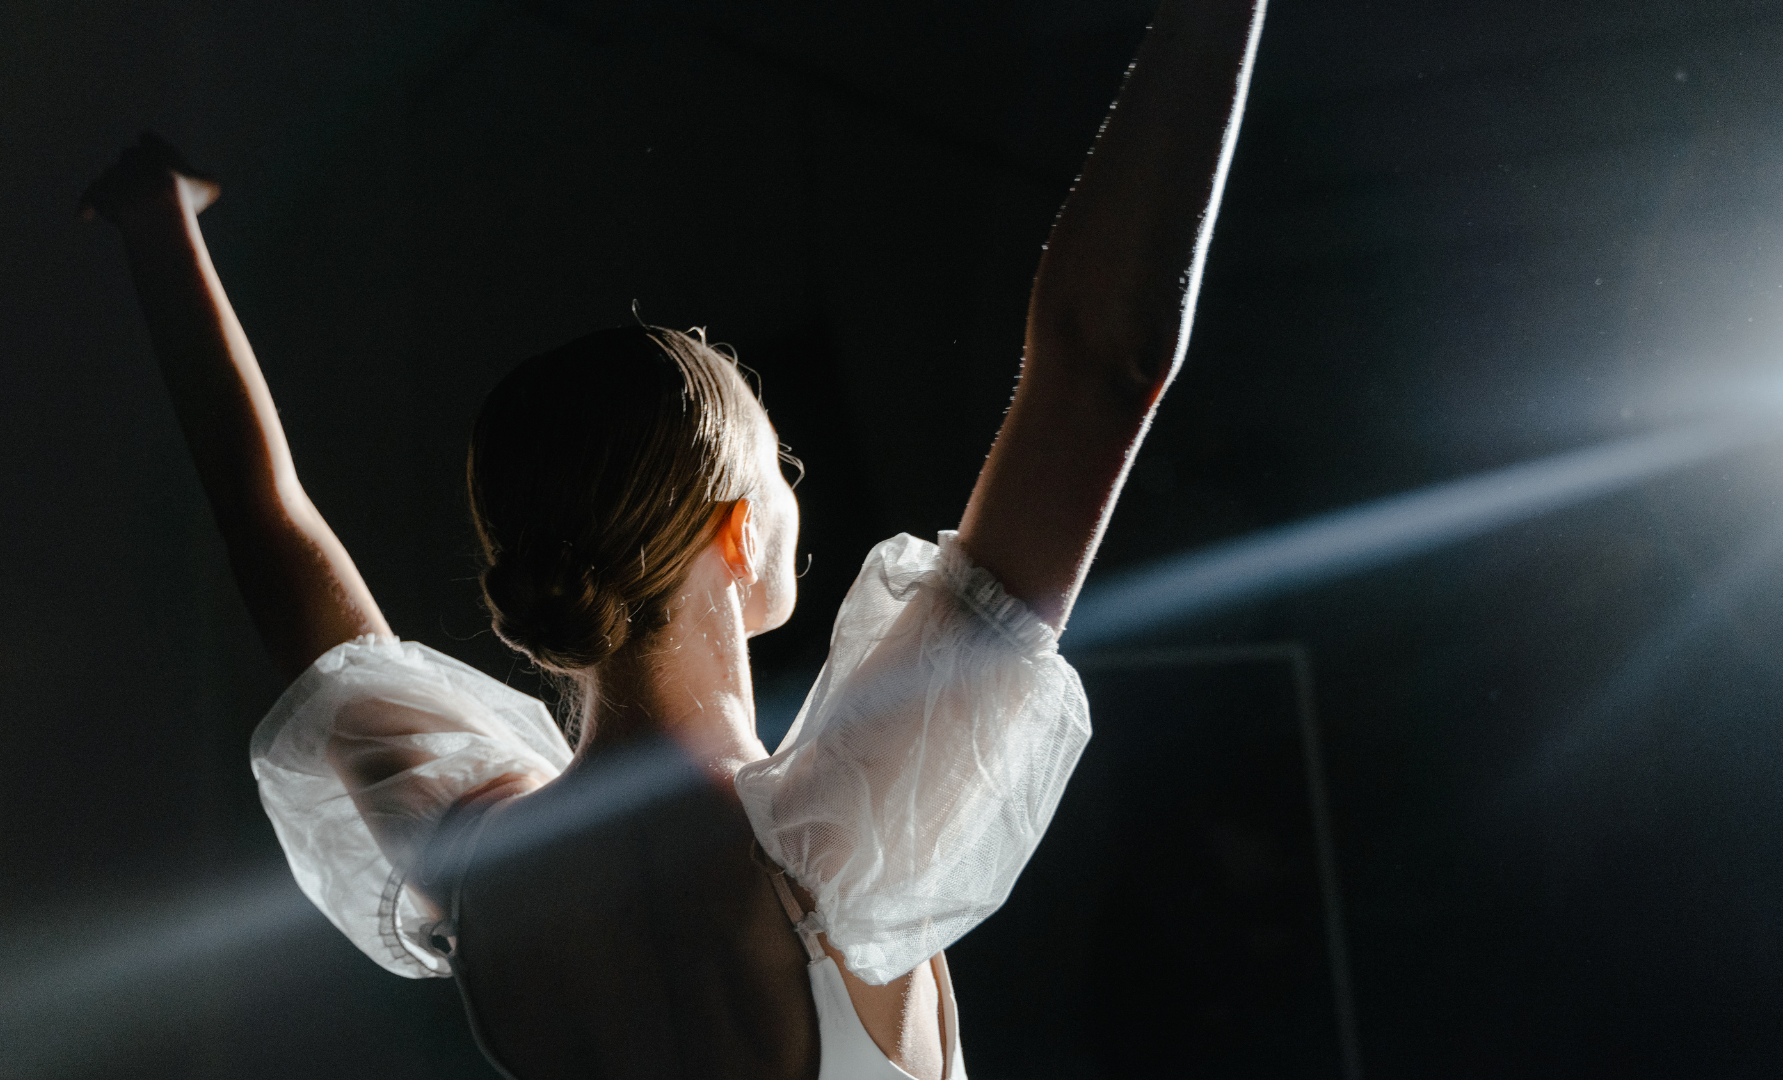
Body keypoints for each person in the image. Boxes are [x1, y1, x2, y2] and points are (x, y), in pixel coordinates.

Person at [81, 3, 1265, 1076]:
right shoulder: (840, 844)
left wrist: (153, 232)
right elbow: (1098, 371)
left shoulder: (475, 862)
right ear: (739, 528)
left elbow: (272, 532)